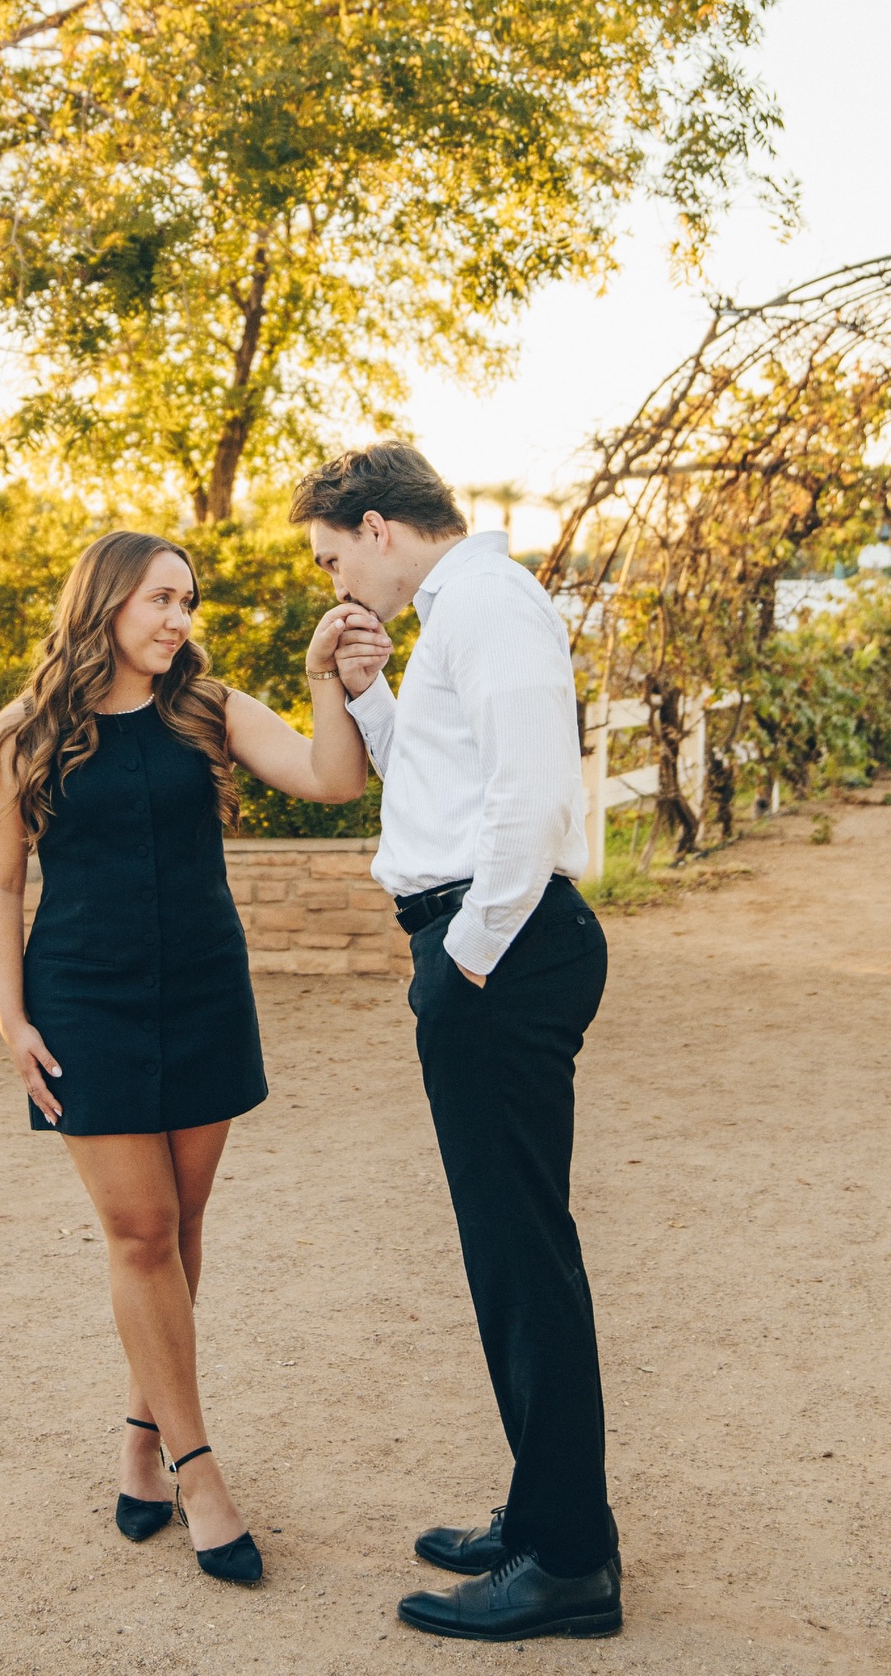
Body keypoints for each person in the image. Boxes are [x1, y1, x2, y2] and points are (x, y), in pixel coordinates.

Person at [0, 529, 372, 1587]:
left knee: (184, 1225)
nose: (177, 620)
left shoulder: (209, 708)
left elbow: (333, 778)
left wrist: (326, 680)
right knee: (141, 1231)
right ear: (104, 599)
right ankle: (199, 1473)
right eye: (159, 599)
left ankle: (140, 1444)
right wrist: (11, 1020)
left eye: (187, 602)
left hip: (202, 993)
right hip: (83, 1004)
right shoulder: (24, 732)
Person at [289, 443, 622, 1642]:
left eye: (333, 558)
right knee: (510, 1258)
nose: (335, 584)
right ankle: (545, 1516)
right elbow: (436, 788)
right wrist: (373, 694)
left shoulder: (487, 603)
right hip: (494, 947)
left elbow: (530, 805)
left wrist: (463, 965)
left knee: (524, 1260)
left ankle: (569, 1560)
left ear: (376, 526)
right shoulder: (457, 611)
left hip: (504, 952)